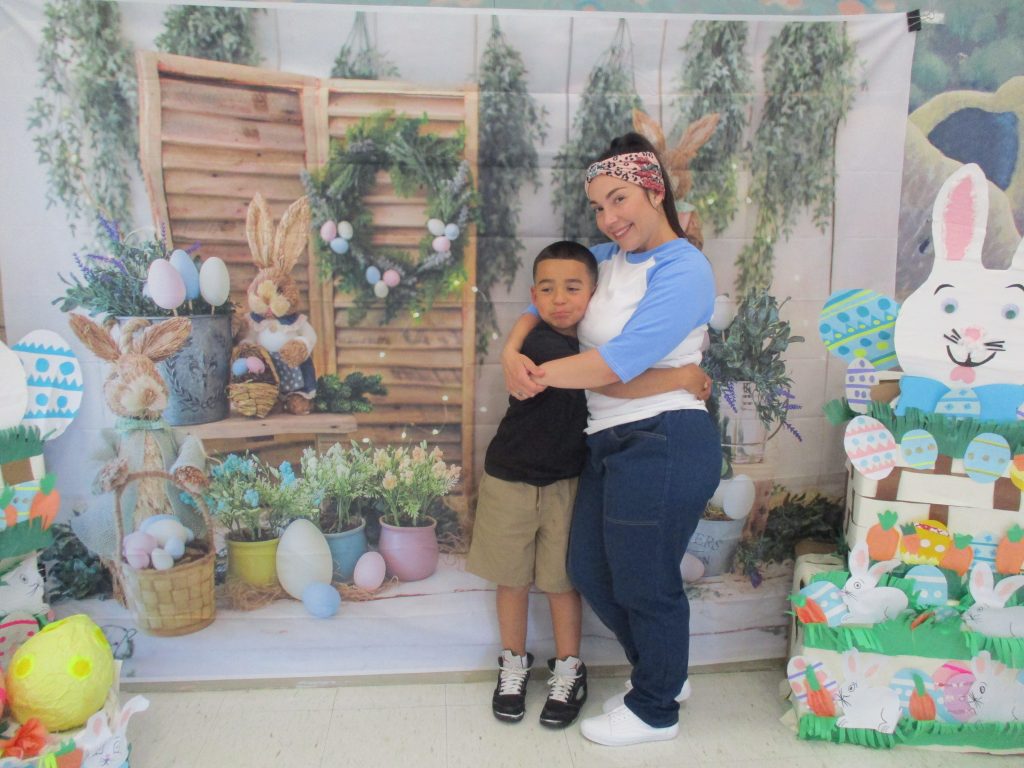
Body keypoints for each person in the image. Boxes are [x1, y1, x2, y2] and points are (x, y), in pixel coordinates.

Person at [501, 134, 721, 746]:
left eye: (619, 199)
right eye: (598, 206)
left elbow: (614, 365)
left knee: (645, 579)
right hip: (606, 440)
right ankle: (665, 674)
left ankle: (656, 708)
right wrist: (510, 349)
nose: (609, 217)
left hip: (665, 436)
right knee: (591, 570)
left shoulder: (685, 268)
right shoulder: (604, 258)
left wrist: (536, 377)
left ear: (654, 191)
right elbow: (545, 299)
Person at [469, 240, 710, 729]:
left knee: (581, 580)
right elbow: (597, 374)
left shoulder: (601, 337)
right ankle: (518, 664)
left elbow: (604, 369)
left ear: (594, 294)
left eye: (573, 288)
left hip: (579, 473)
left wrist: (684, 374)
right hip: (521, 474)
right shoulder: (547, 344)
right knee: (541, 576)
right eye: (548, 290)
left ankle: (592, 675)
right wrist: (513, 348)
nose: (560, 299)